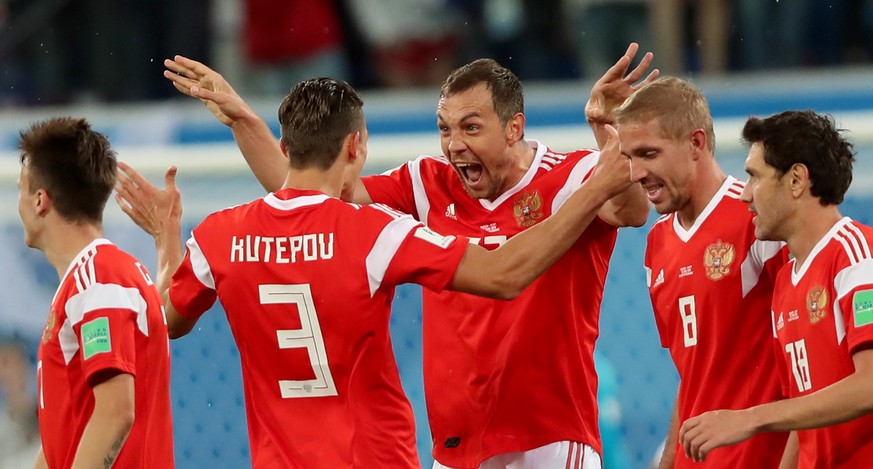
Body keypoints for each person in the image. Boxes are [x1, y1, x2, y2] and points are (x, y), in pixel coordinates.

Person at [158, 46, 654, 469]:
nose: (454, 145)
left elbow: (631, 210)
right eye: (445, 129)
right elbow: (314, 198)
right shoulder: (425, 182)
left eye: (471, 127)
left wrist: (607, 131)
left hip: (548, 434)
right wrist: (244, 120)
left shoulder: (569, 175)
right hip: (456, 441)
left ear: (513, 127)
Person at [587, 76, 790, 467]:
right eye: (630, 158)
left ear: (696, 143)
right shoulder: (656, 243)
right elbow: (696, 370)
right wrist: (669, 458)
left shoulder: (759, 222)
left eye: (649, 153)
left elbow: (809, 353)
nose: (635, 173)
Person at [679, 110, 873, 467]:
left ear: (797, 180)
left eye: (754, 177)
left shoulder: (855, 255)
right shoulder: (784, 282)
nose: (745, 195)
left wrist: (750, 417)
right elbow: (803, 420)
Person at [16, 117, 175, 468]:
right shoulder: (94, 278)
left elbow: (116, 413)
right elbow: (64, 438)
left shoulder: (98, 280)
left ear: (41, 200)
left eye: (20, 190)